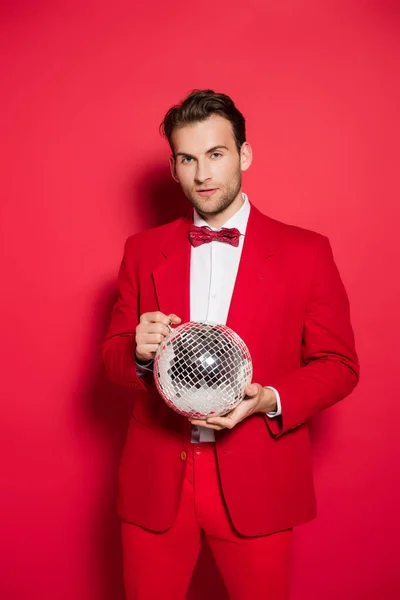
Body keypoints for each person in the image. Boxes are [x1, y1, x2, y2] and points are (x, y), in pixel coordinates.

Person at [101, 89, 360, 600]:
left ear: (243, 154)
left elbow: (339, 365)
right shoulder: (142, 250)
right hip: (159, 478)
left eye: (216, 155)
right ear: (173, 167)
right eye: (187, 159)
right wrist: (136, 350)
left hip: (257, 477)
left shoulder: (307, 252)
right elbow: (110, 362)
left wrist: (269, 400)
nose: (202, 175)